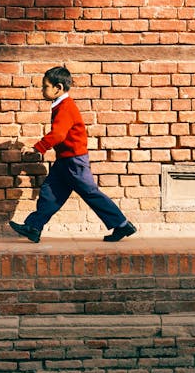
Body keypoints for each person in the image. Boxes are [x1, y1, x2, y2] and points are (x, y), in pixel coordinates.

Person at [9, 66, 137, 243]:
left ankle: (122, 224)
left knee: (90, 193)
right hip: (65, 160)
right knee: (50, 192)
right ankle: (34, 227)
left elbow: (59, 134)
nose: (42, 90)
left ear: (58, 88)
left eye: (45, 86)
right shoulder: (60, 105)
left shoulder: (65, 107)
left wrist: (38, 147)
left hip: (74, 161)